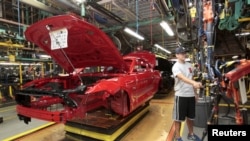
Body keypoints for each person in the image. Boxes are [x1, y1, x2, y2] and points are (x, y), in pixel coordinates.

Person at [172, 46, 203, 141]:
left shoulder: (190, 65)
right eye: (181, 53)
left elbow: (191, 78)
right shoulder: (176, 66)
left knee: (191, 117)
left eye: (184, 53)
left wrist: (195, 94)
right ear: (177, 55)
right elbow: (182, 78)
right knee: (178, 118)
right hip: (181, 95)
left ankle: (191, 134)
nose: (183, 54)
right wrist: (194, 83)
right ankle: (178, 137)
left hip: (190, 95)